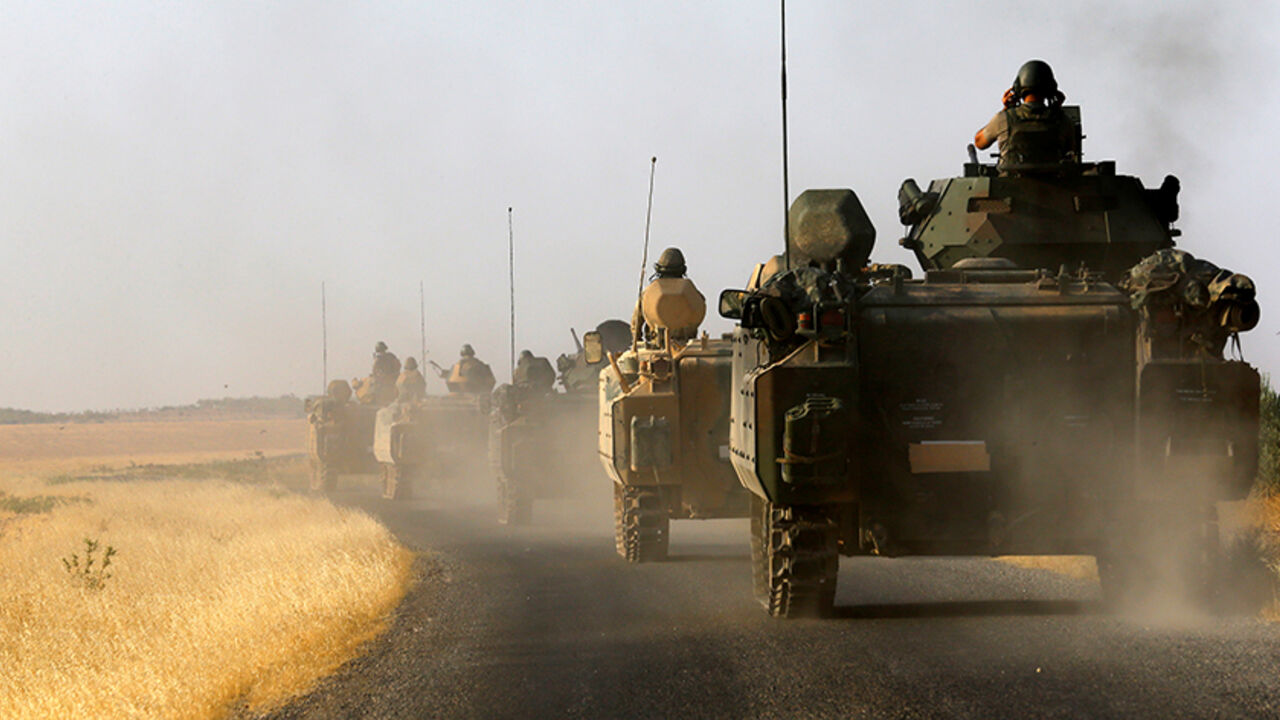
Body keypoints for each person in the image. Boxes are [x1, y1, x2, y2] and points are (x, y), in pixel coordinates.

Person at [973, 60, 1075, 170]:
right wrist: (1057, 110)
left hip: (1008, 185)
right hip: (1053, 185)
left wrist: (1006, 109)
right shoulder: (1062, 121)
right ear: (1051, 88)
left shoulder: (1003, 119)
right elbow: (1072, 151)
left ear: (1018, 86)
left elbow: (979, 142)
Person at [632, 247, 705, 345]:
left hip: (657, 347)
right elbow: (700, 310)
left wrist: (638, 344)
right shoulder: (691, 291)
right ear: (682, 269)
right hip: (687, 347)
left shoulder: (648, 293)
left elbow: (636, 323)